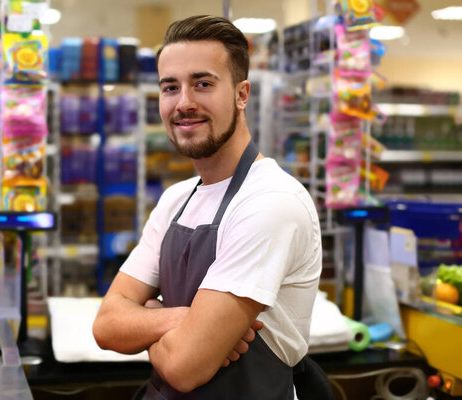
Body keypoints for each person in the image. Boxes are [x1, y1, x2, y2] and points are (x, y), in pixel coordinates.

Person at [93, 15, 322, 399]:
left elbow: (185, 367)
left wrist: (147, 317)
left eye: (202, 84)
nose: (184, 103)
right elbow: (106, 325)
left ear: (241, 94)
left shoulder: (270, 202)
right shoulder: (176, 201)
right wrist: (181, 320)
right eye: (170, 87)